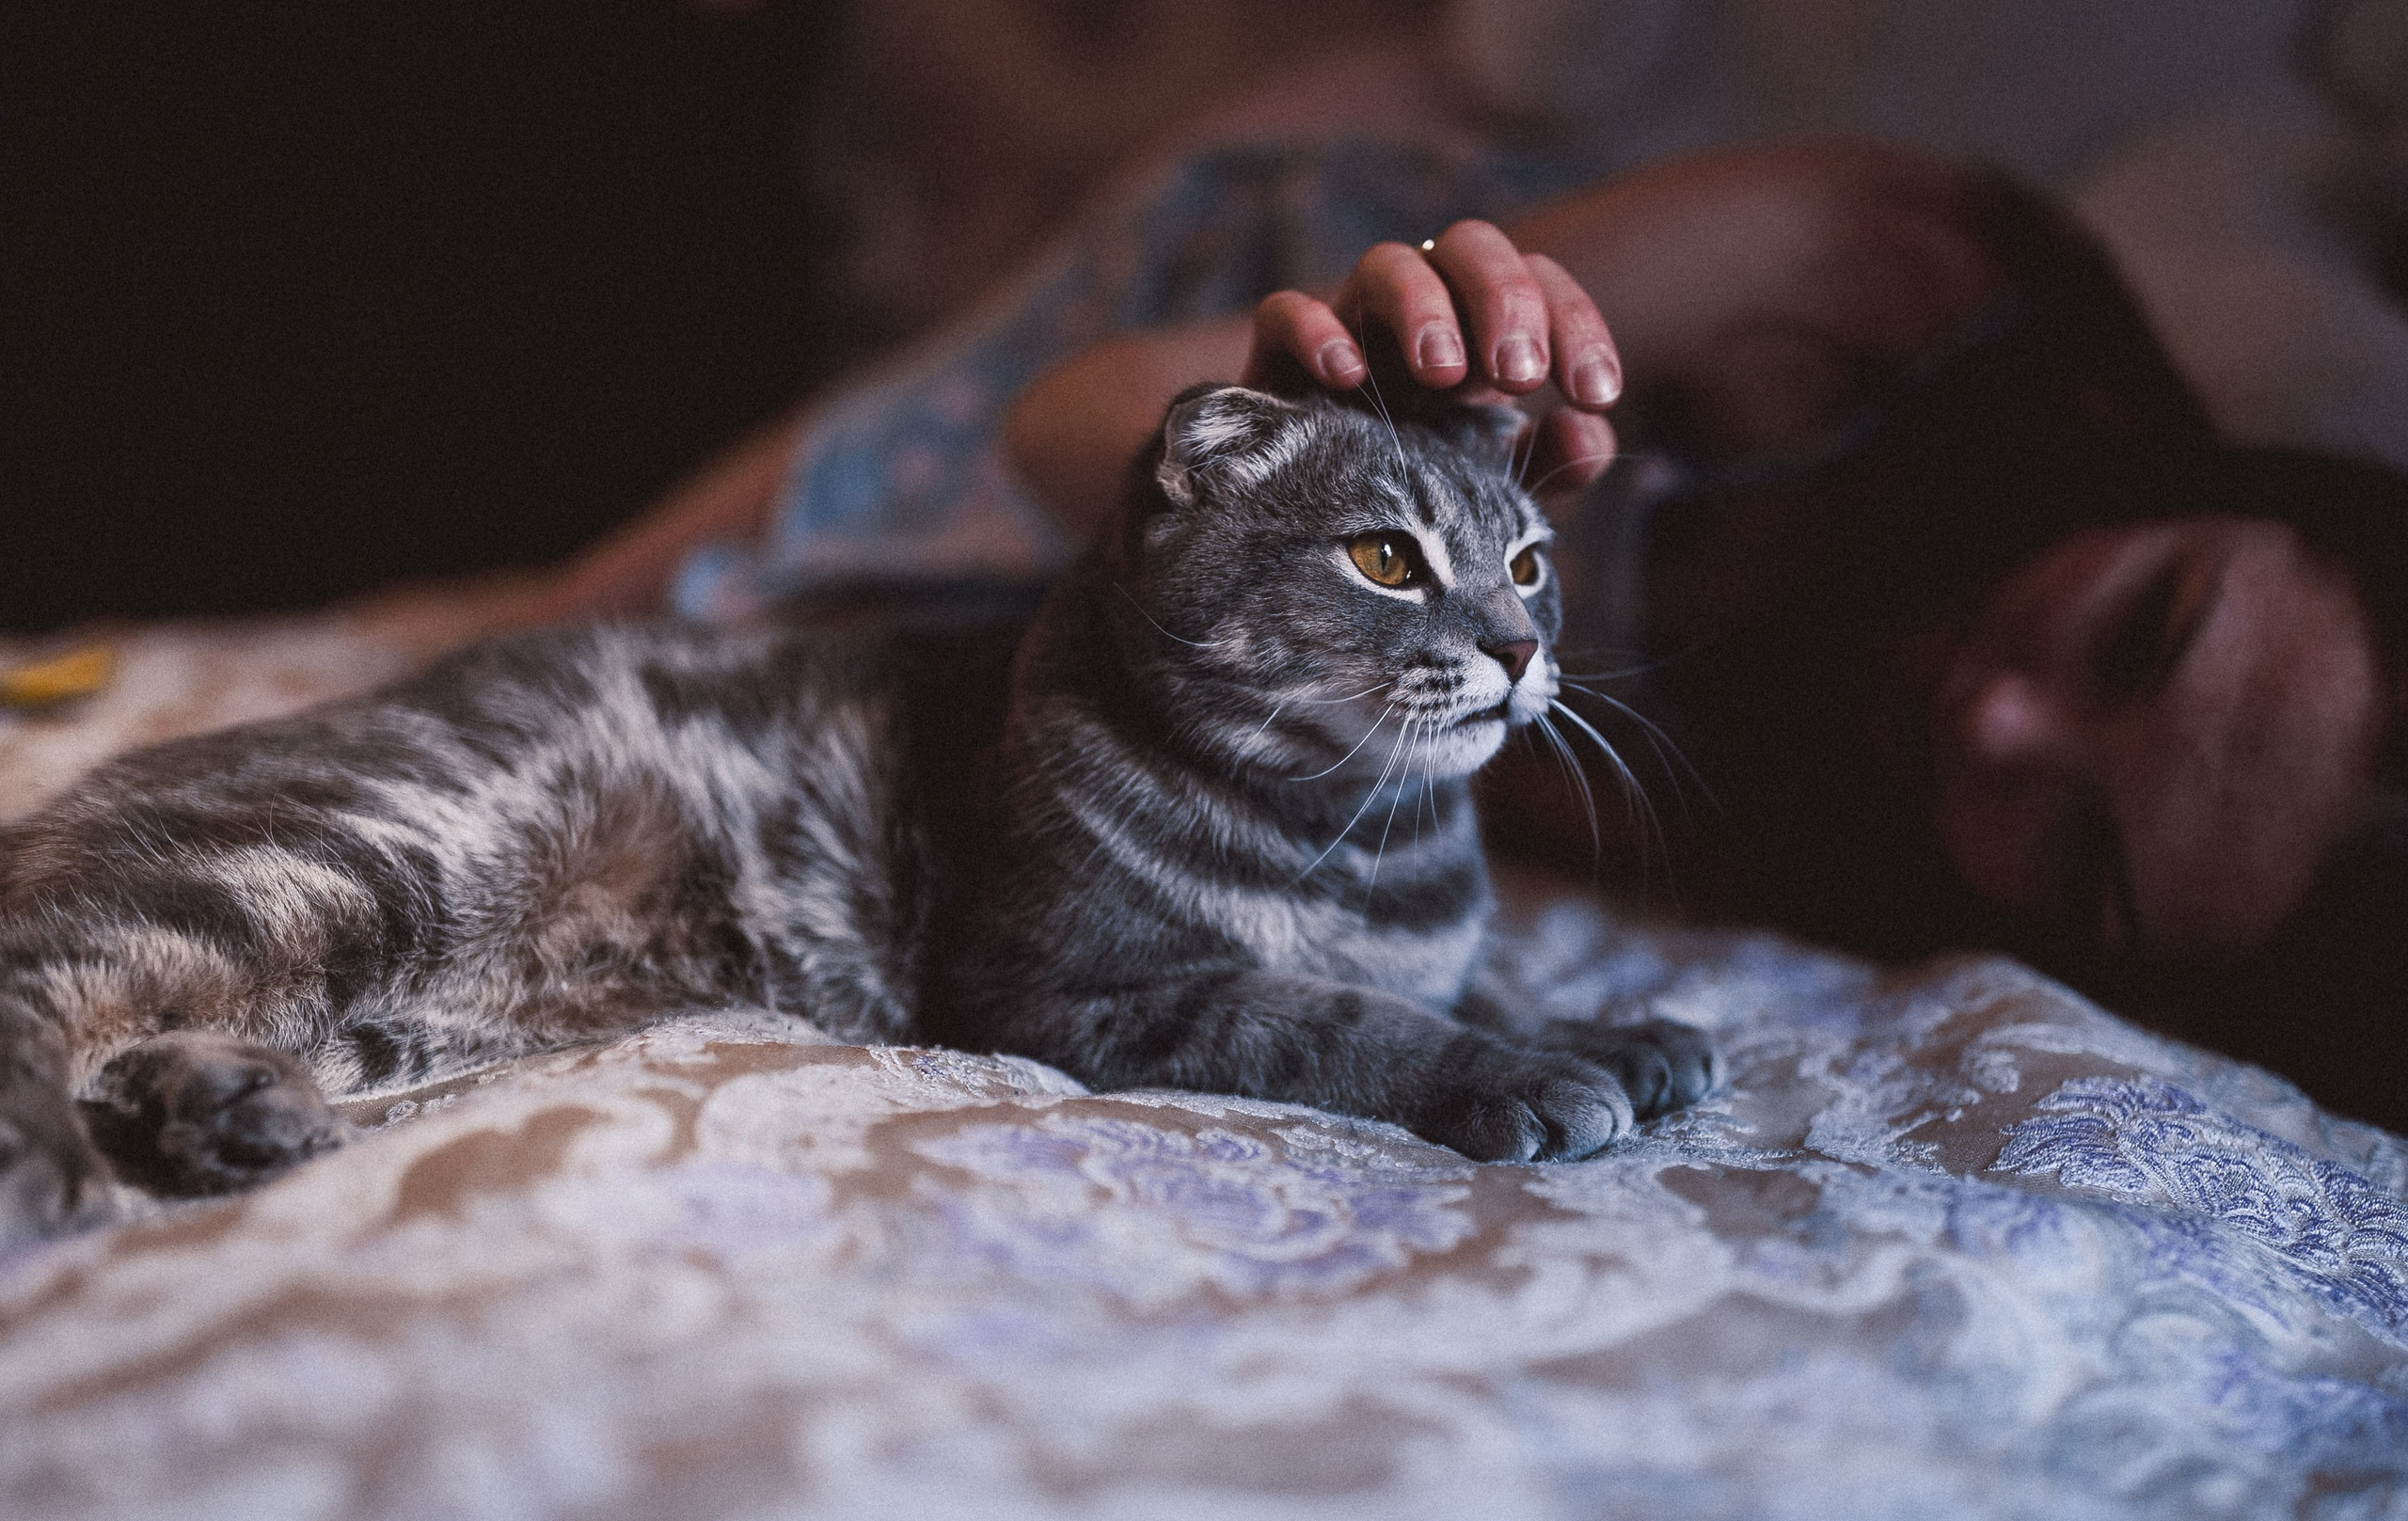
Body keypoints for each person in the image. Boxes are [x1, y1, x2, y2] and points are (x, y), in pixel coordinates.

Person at [555, 142, 2408, 1130]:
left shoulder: (1891, 900)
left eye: (2083, 848)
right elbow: (1063, 432)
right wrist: (1322, 422)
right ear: (2218, 479)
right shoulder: (1883, 284)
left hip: (1211, 683)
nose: (2000, 722)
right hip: (1215, 359)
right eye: (2142, 633)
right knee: (603, 630)